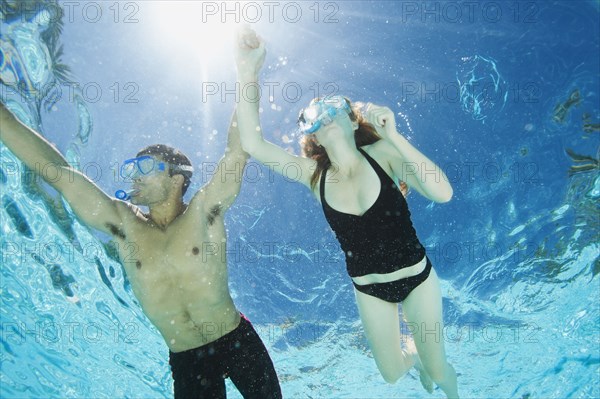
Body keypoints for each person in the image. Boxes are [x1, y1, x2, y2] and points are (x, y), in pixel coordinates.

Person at [0, 102, 282, 399]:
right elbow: (59, 173)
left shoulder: (203, 210)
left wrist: (247, 71)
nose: (134, 176)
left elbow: (237, 152)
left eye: (145, 167)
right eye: (132, 168)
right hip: (187, 359)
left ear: (176, 179)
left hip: (236, 341)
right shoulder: (124, 223)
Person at [235, 27, 459, 398]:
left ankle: (447, 382)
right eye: (313, 117)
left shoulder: (383, 155)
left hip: (417, 277)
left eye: (335, 107)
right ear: (313, 138)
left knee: (439, 370)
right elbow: (253, 143)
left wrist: (393, 137)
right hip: (369, 288)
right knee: (390, 374)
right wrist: (247, 72)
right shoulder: (314, 176)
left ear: (354, 120)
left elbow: (443, 193)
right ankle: (413, 358)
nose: (325, 116)